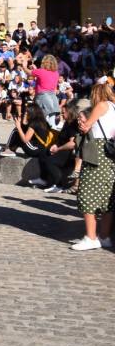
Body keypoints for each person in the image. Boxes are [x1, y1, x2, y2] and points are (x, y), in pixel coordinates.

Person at [71, 83, 115, 251]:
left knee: (86, 194)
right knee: (107, 199)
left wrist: (83, 123)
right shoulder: (113, 107)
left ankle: (90, 237)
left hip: (97, 153)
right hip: (110, 155)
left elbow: (86, 126)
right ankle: (104, 237)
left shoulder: (101, 105)